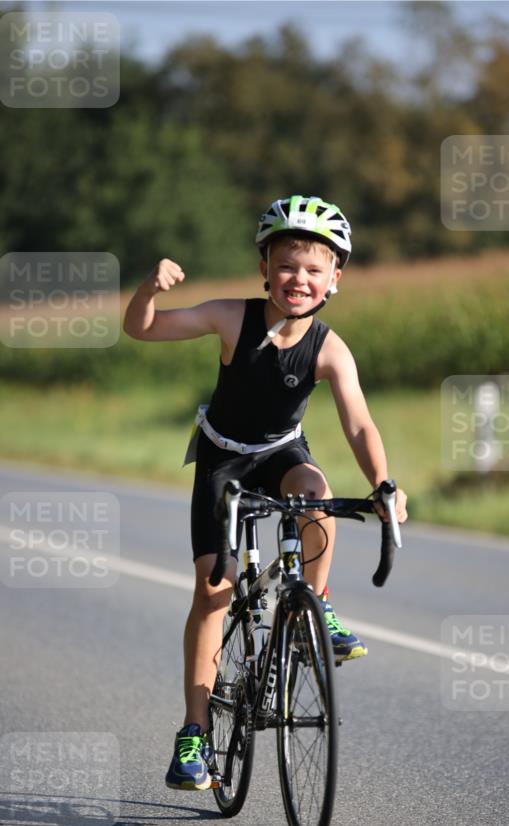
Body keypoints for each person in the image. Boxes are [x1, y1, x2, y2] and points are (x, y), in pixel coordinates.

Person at [123, 195, 408, 791]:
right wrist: (150, 288)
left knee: (316, 491)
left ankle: (318, 602)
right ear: (264, 269)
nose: (297, 279)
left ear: (335, 277)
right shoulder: (233, 318)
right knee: (214, 591)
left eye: (312, 269)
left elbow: (358, 422)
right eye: (285, 265)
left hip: (281, 452)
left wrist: (383, 485)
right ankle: (194, 736)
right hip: (223, 460)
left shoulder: (329, 347)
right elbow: (142, 328)